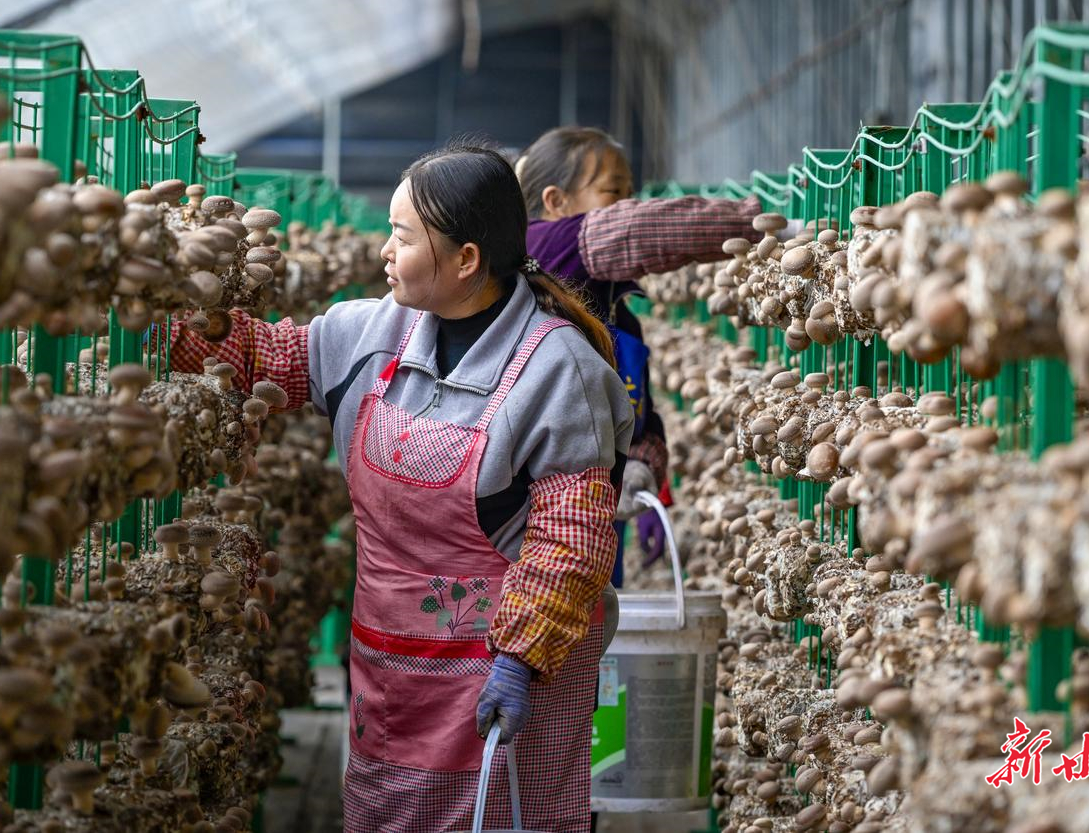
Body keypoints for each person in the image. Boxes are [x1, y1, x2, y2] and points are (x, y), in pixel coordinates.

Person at [170, 144, 632, 833]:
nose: (386, 252)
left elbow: (573, 540)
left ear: (467, 259)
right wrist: (192, 316)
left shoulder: (557, 369)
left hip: (509, 677)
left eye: (403, 235)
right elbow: (271, 359)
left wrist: (521, 657)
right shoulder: (371, 331)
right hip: (392, 676)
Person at [518, 126, 763, 579]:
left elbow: (634, 399)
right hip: (535, 511)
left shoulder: (613, 309)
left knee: (587, 626)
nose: (628, 203)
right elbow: (636, 230)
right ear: (556, 202)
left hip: (593, 508)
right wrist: (764, 223)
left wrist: (645, 472)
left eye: (631, 192)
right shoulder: (546, 246)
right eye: (613, 191)